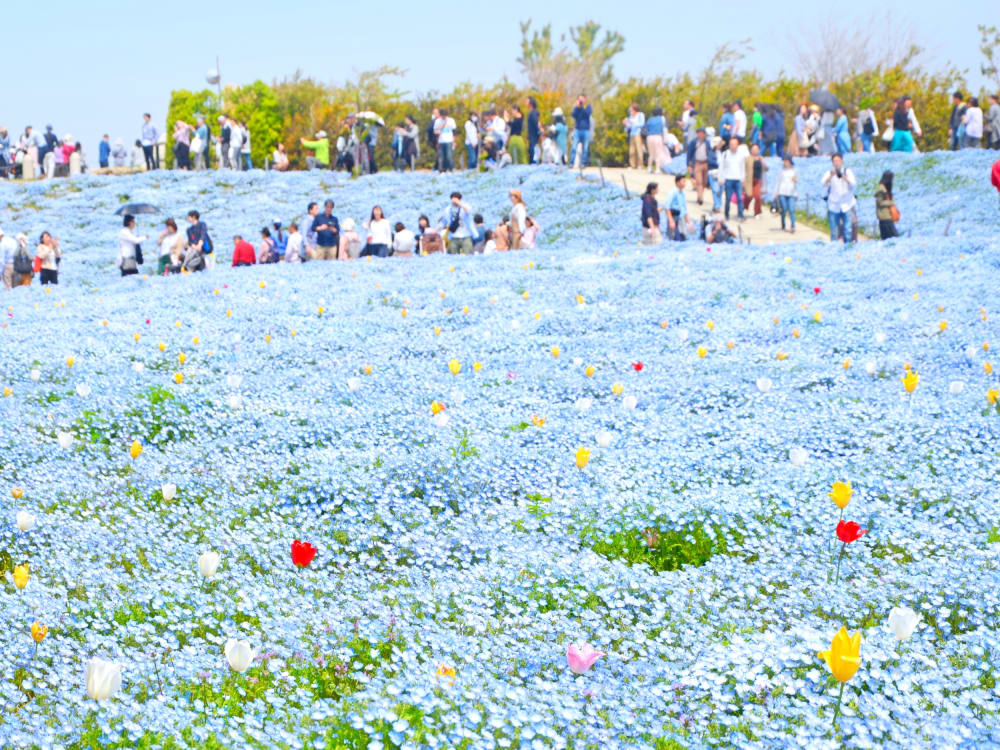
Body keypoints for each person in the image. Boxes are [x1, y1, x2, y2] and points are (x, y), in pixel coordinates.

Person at [821, 153, 857, 243]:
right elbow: (822, 184)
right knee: (834, 229)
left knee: (848, 229)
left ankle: (847, 247)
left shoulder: (847, 171)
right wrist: (831, 176)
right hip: (834, 205)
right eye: (834, 161)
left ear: (842, 161)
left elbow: (853, 184)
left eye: (838, 161)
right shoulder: (829, 173)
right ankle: (834, 248)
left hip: (847, 204)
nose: (836, 163)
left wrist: (844, 177)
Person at [720, 137, 748, 221]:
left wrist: (743, 178)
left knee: (739, 198)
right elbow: (722, 167)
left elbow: (742, 167)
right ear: (729, 145)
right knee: (728, 198)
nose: (733, 146)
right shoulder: (725, 154)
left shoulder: (741, 155)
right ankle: (726, 214)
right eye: (731, 144)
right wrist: (721, 178)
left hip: (738, 179)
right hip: (728, 179)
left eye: (735, 144)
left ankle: (740, 215)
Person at [686, 128, 715, 205]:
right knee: (699, 181)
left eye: (702, 133)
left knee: (704, 182)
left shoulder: (707, 142)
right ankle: (700, 198)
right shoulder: (693, 142)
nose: (701, 134)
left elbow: (710, 152)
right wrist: (689, 164)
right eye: (699, 133)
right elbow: (689, 154)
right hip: (697, 163)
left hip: (705, 163)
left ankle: (700, 195)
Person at [666, 175, 693, 241]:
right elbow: (667, 207)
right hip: (674, 217)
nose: (684, 184)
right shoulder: (673, 192)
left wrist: (689, 222)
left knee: (683, 236)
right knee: (674, 237)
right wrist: (671, 220)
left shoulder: (683, 193)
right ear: (677, 182)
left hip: (681, 218)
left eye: (685, 182)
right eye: (683, 181)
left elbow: (684, 209)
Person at [774, 156, 797, 233]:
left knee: (791, 209)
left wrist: (795, 180)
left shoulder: (794, 170)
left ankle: (793, 226)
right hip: (782, 192)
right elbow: (778, 181)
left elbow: (796, 180)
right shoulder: (781, 170)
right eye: (784, 161)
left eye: (786, 161)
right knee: (784, 209)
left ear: (790, 161)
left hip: (792, 193)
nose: (785, 163)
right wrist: (776, 192)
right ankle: (783, 225)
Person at [875, 171, 899, 240]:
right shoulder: (881, 188)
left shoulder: (884, 187)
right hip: (884, 217)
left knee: (890, 237)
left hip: (887, 216)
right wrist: (891, 203)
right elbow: (880, 202)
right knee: (892, 236)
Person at [571, 94, 593, 166]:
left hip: (586, 130)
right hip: (577, 130)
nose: (581, 101)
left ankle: (583, 163)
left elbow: (587, 114)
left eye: (582, 99)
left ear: (585, 100)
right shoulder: (576, 107)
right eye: (580, 99)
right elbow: (573, 115)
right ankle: (571, 163)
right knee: (574, 147)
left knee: (585, 148)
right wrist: (577, 107)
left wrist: (582, 107)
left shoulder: (588, 107)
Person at [623, 103, 646, 169]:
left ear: (635, 109)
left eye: (631, 110)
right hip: (632, 134)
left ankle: (640, 165)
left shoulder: (640, 115)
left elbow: (642, 124)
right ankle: (632, 165)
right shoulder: (630, 117)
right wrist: (626, 124)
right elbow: (629, 126)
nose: (630, 112)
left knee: (639, 150)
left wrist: (633, 123)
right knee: (632, 151)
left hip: (638, 133)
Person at [645, 107, 667, 174]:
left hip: (649, 136)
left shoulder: (650, 119)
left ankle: (649, 168)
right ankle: (657, 169)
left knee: (651, 154)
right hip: (658, 136)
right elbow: (664, 129)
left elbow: (647, 128)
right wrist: (664, 139)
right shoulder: (662, 119)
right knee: (658, 153)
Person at [707, 136, 724, 212]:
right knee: (715, 190)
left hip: (720, 174)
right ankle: (717, 205)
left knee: (720, 190)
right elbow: (710, 162)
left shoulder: (720, 152)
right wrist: (719, 165)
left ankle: (717, 205)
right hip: (713, 173)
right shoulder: (711, 153)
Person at [526, 98, 541, 164]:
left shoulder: (533, 113)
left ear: (531, 103)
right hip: (532, 136)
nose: (525, 102)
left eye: (527, 101)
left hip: (534, 136)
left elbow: (536, 123)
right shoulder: (532, 112)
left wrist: (539, 131)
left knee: (533, 153)